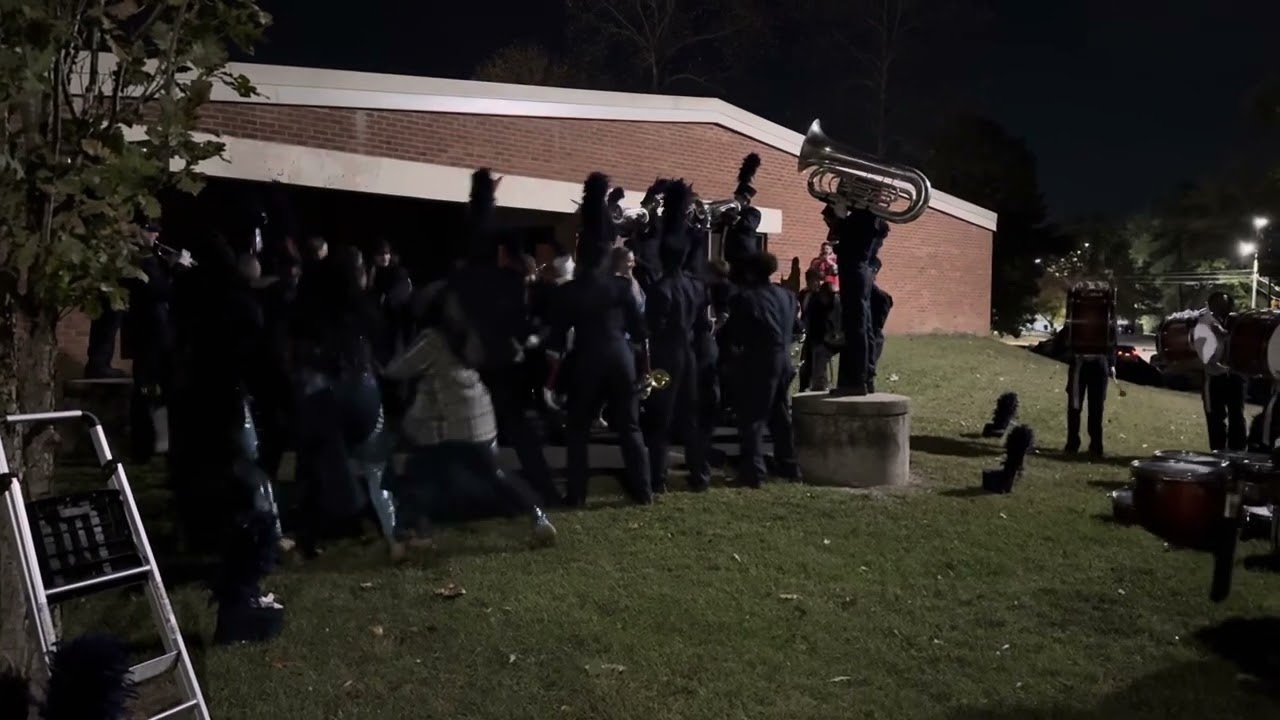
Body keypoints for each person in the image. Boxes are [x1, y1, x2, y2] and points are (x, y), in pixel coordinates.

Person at [382, 281, 557, 556]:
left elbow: (398, 369)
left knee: (418, 472)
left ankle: (413, 535)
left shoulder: (432, 340)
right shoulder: (465, 334)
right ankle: (537, 517)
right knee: (494, 475)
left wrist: (381, 363)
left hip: (452, 425)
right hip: (478, 418)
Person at [447, 169, 560, 506]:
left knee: (472, 431)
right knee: (521, 433)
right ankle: (545, 491)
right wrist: (537, 335)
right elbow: (519, 326)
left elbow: (476, 235)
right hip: (504, 364)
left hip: (473, 362)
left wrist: (484, 200)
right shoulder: (507, 283)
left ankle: (469, 493)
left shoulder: (464, 278)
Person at [544, 172, 652, 505]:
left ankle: (576, 494)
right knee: (630, 429)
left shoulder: (570, 291)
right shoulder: (622, 287)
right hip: (620, 360)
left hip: (587, 362)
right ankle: (643, 491)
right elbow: (640, 335)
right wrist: (646, 371)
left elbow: (556, 345)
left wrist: (550, 384)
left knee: (577, 432)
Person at [642, 180, 710, 493]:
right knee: (691, 416)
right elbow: (700, 323)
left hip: (665, 356)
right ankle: (700, 475)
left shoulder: (659, 289)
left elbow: (650, 326)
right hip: (690, 355)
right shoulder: (696, 286)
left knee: (661, 417)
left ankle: (658, 479)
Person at [721, 251, 800, 487]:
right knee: (779, 414)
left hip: (760, 360)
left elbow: (732, 333)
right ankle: (789, 465)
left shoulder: (748, 298)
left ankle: (753, 472)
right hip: (784, 358)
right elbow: (796, 326)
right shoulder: (787, 296)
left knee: (753, 416)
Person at [824, 205, 889, 396]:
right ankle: (865, 378)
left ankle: (853, 382)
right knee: (863, 324)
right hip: (860, 272)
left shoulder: (863, 217)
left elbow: (842, 237)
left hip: (855, 271)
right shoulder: (871, 217)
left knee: (854, 325)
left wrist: (840, 212)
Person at [1199, 291, 1246, 451]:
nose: (1222, 307)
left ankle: (1237, 452)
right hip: (1214, 377)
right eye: (1218, 304)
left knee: (1237, 416)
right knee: (1215, 418)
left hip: (1235, 376)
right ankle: (1218, 452)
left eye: (1225, 304)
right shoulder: (1204, 323)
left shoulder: (1237, 321)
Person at [718, 154, 762, 277]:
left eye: (738, 197)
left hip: (744, 257)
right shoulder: (732, 211)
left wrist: (735, 219)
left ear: (746, 200)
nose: (735, 199)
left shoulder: (753, 212)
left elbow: (749, 225)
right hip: (729, 257)